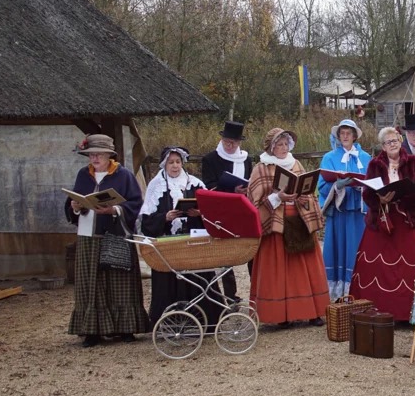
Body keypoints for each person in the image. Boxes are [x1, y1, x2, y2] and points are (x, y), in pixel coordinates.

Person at [64, 134, 149, 347]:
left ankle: (126, 327)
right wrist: (74, 206)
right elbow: (74, 200)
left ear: (109, 155)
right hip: (89, 235)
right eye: (91, 155)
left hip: (116, 233)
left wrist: (115, 209)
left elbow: (136, 203)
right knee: (91, 282)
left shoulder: (124, 175)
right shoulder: (83, 175)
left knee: (119, 280)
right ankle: (92, 331)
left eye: (98, 154)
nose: (94, 158)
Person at [247, 128, 330, 327]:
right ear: (271, 146)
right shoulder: (261, 167)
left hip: (300, 222)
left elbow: (309, 192)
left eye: (286, 144)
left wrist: (303, 196)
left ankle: (313, 311)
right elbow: (253, 201)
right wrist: (278, 197)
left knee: (307, 270)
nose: (283, 148)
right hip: (277, 225)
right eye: (279, 145)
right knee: (279, 272)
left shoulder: (296, 163)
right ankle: (281, 315)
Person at [349, 127, 415, 321]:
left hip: (407, 220)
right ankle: (378, 312)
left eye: (394, 140)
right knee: (377, 268)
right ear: (382, 146)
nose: (392, 145)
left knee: (411, 267)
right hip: (382, 222)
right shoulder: (375, 164)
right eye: (387, 142)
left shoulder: (414, 162)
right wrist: (381, 201)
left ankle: (411, 313)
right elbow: (367, 194)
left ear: (400, 140)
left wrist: (403, 198)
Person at [139, 147, 221, 328]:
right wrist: (165, 218)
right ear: (164, 164)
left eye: (178, 162)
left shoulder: (195, 184)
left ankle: (204, 322)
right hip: (168, 246)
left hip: (193, 242)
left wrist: (198, 213)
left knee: (197, 279)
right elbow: (146, 222)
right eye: (171, 162)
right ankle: (170, 323)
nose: (175, 166)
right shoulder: (156, 186)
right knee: (168, 281)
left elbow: (213, 213)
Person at [318, 119, 372, 301]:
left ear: (355, 135)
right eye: (342, 133)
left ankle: (357, 292)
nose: (346, 136)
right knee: (337, 249)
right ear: (338, 136)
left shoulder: (365, 158)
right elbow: (322, 186)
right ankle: (335, 294)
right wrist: (337, 185)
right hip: (338, 213)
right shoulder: (329, 158)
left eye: (349, 133)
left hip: (358, 213)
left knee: (356, 250)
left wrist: (363, 186)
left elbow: (374, 184)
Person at [201, 121, 253, 302]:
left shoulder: (246, 159)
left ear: (239, 143)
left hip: (244, 209)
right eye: (227, 142)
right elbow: (208, 187)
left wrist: (246, 190)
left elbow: (251, 181)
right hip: (222, 211)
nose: (230, 146)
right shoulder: (210, 159)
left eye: (234, 143)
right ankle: (231, 296)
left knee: (251, 248)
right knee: (226, 255)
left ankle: (256, 292)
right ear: (222, 139)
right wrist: (232, 191)